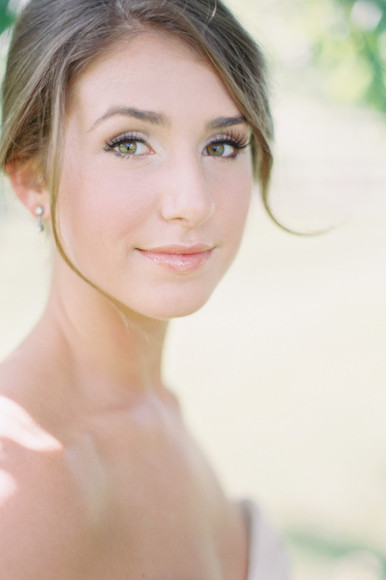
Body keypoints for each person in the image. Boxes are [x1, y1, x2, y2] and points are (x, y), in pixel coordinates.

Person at [0, 0, 288, 578]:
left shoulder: (156, 407)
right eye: (129, 143)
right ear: (32, 178)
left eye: (222, 145)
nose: (194, 202)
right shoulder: (25, 482)